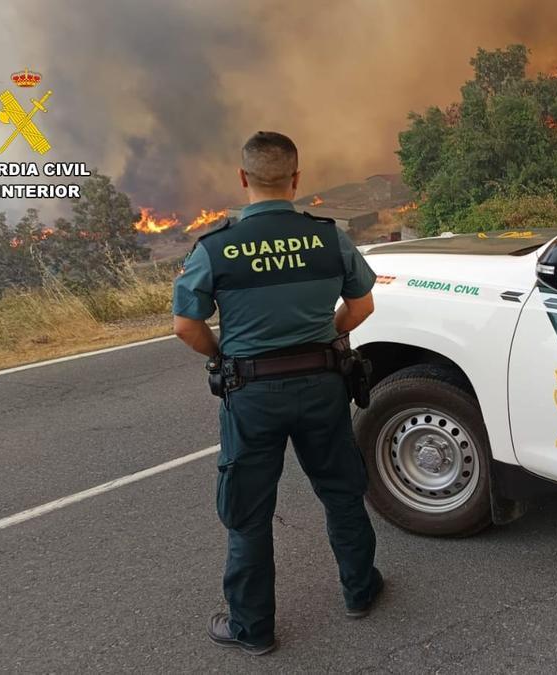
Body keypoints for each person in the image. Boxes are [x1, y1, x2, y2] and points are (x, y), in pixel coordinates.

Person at [172, 131, 382, 656]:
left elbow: (185, 325)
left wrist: (221, 355)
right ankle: (360, 592)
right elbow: (362, 309)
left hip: (251, 394)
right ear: (296, 178)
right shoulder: (329, 238)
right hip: (322, 387)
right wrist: (326, 336)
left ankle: (253, 628)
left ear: (243, 178)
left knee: (249, 512)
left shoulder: (214, 247)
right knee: (341, 492)